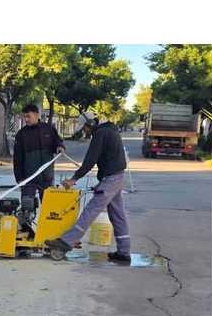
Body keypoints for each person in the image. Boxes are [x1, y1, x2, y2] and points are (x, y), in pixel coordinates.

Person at [46, 110, 131, 263]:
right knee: (117, 215)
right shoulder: (109, 130)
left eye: (84, 128)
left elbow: (90, 160)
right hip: (116, 176)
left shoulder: (101, 134)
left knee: (91, 210)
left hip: (111, 178)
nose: (84, 131)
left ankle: (66, 242)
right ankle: (124, 252)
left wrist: (73, 179)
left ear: (90, 123)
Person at [12, 104, 66, 208]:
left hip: (47, 178)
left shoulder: (48, 129)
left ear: (36, 115)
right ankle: (26, 223)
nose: (26, 119)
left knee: (49, 207)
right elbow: (17, 159)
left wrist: (60, 146)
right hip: (29, 178)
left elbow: (57, 141)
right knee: (27, 205)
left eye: (28, 116)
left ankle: (47, 225)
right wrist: (19, 178)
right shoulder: (21, 134)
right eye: (24, 117)